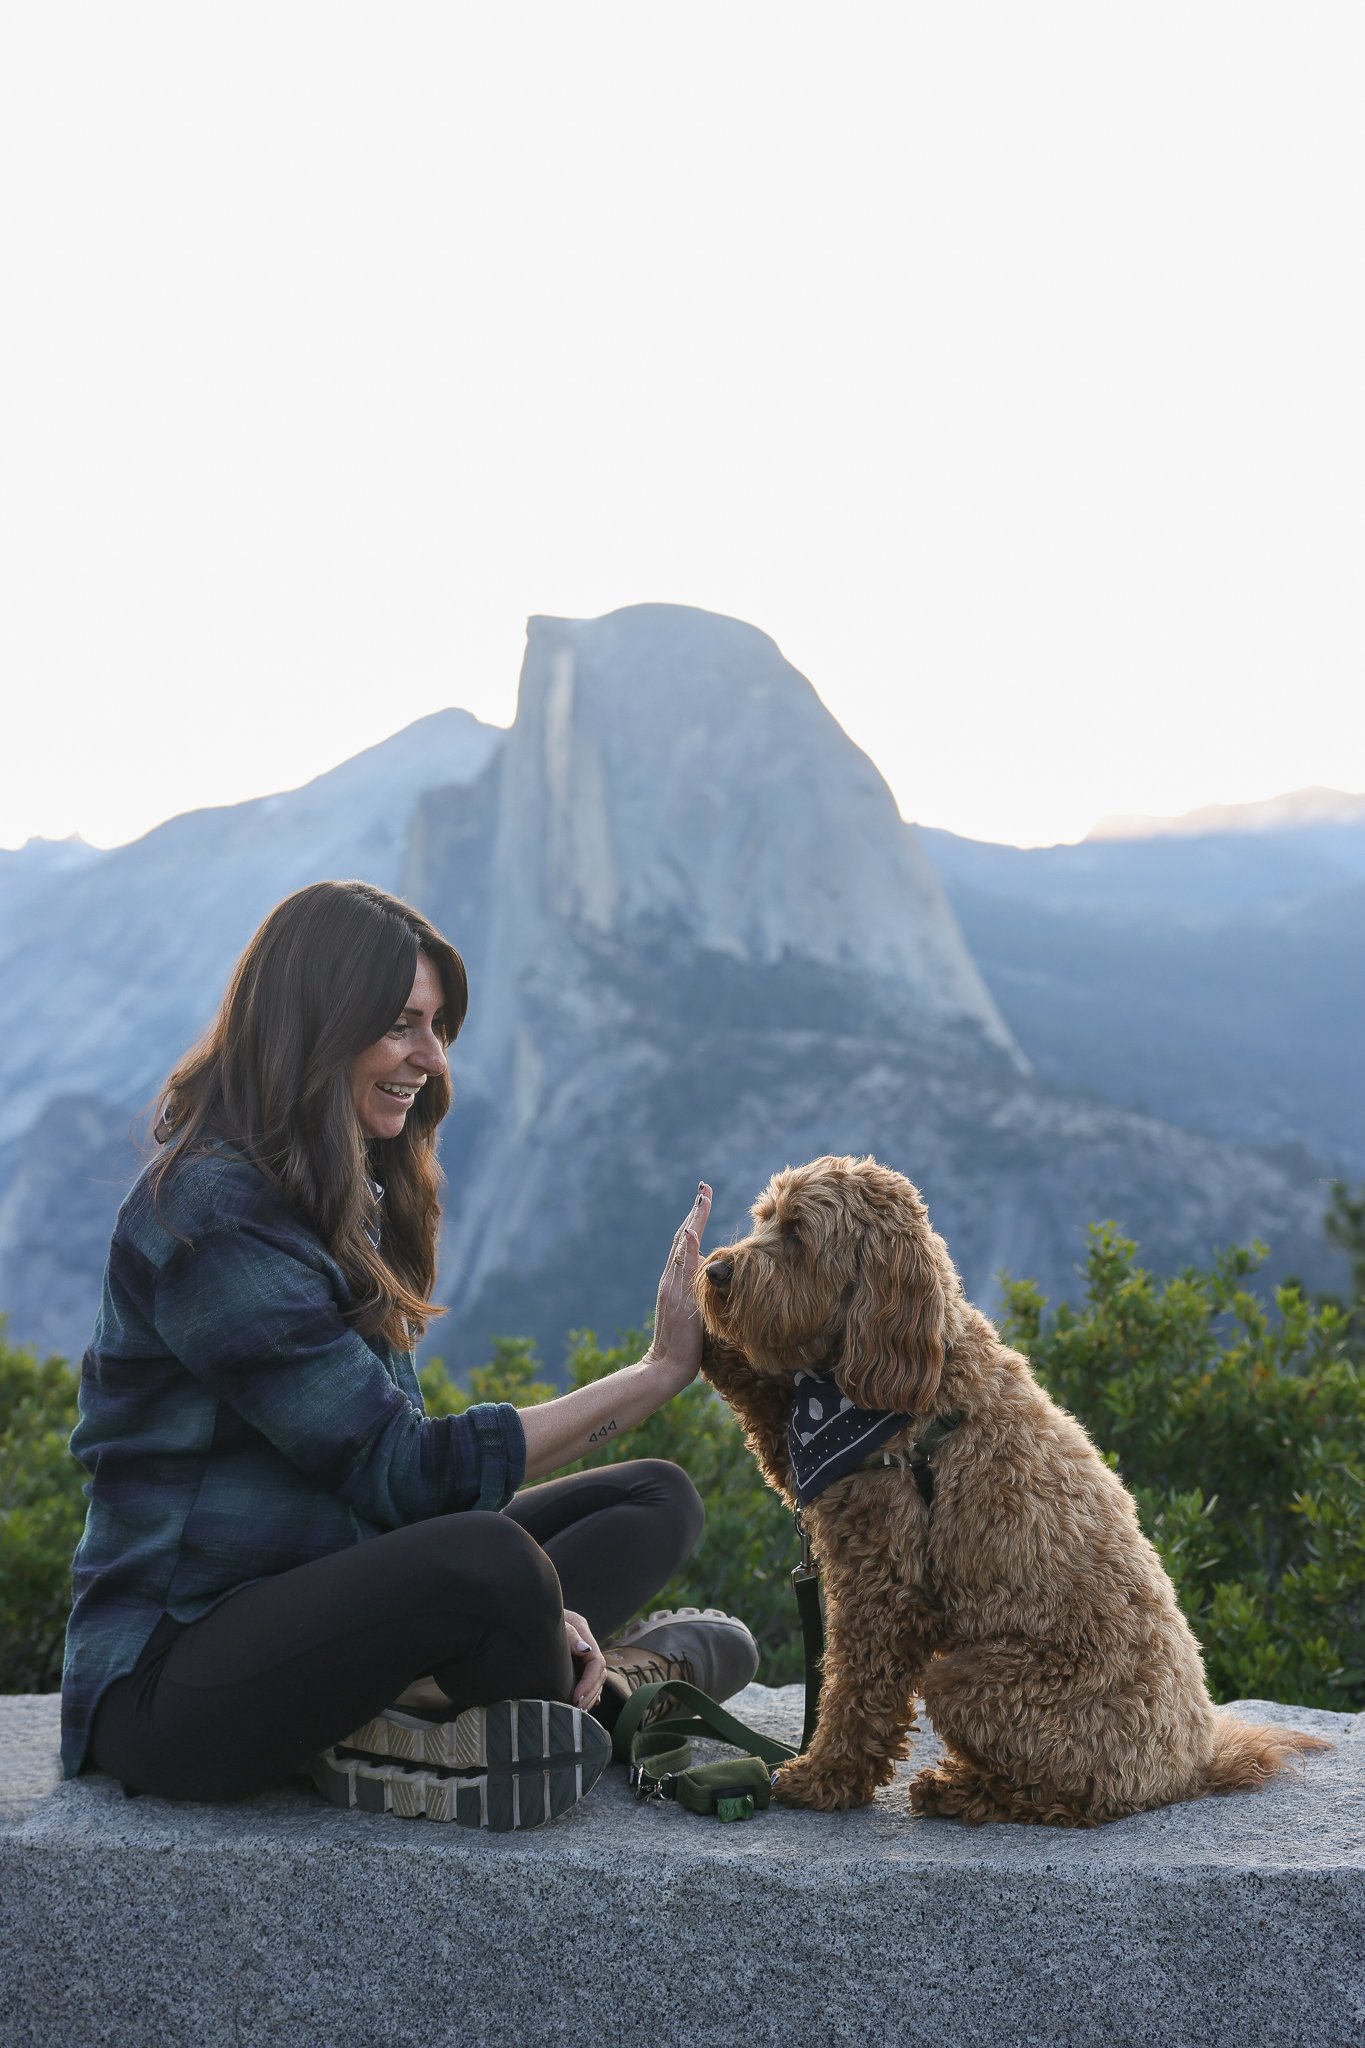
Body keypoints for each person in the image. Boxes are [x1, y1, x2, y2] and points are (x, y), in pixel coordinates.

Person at [61, 879, 758, 1830]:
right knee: (488, 1559)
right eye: (401, 1023)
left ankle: (442, 1703)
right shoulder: (209, 1216)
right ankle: (612, 1683)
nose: (430, 1057)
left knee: (652, 1497)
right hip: (172, 1681)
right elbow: (401, 1471)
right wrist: (651, 1376)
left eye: (435, 1026)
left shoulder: (335, 1190)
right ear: (314, 1025)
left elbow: (380, 1495)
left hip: (322, 1596)